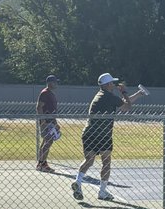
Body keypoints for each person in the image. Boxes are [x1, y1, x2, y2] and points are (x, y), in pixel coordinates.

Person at [72, 73, 141, 201]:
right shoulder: (110, 96)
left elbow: (123, 103)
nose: (114, 85)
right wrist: (124, 91)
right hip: (103, 135)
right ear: (108, 84)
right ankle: (102, 191)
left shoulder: (100, 95)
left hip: (89, 133)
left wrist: (138, 94)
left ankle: (78, 181)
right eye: (112, 83)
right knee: (106, 163)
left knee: (89, 160)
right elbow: (127, 107)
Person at [36, 75, 61, 171]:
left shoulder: (51, 93)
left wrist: (55, 123)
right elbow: (39, 107)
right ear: (50, 83)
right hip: (46, 122)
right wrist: (42, 121)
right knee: (48, 141)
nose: (56, 84)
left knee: (46, 141)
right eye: (55, 82)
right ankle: (42, 164)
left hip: (50, 122)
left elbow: (52, 111)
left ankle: (41, 163)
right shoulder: (45, 93)